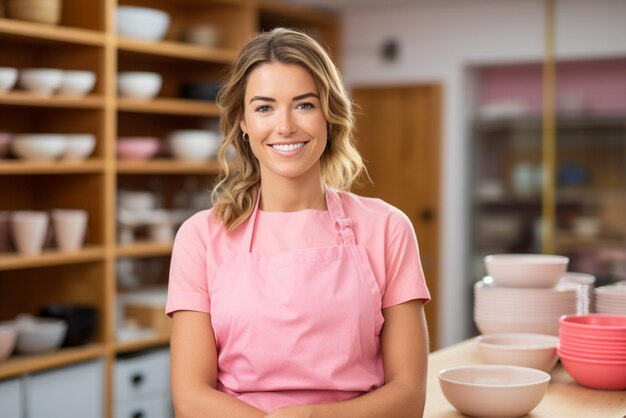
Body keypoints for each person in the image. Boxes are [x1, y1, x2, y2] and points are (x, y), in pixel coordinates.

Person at [166, 27, 431, 418]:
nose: (285, 125)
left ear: (329, 114)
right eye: (264, 107)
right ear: (242, 120)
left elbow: (408, 396)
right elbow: (190, 397)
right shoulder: (201, 237)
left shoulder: (387, 228)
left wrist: (311, 417)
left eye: (304, 105)